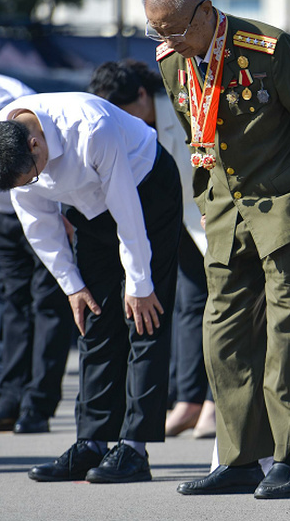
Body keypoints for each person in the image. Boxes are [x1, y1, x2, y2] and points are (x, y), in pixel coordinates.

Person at [142, 0, 290, 499]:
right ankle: (238, 457)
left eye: (175, 30)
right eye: (156, 32)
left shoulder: (267, 48)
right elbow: (196, 136)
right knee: (223, 335)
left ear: (206, 13)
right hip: (225, 215)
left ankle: (289, 456)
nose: (167, 42)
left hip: (289, 211)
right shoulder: (172, 60)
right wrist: (207, 202)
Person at [0, 91, 182, 483]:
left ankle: (135, 449)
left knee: (144, 317)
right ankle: (92, 441)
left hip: (144, 190)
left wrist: (139, 282)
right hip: (87, 208)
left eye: (32, 177)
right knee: (94, 319)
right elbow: (39, 225)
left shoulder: (89, 128)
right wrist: (72, 286)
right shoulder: (4, 145)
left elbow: (127, 209)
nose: (32, 184)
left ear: (35, 144)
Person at [87, 59, 216, 439]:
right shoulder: (121, 125)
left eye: (120, 109)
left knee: (220, 308)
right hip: (171, 222)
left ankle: (213, 402)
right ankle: (189, 401)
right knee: (190, 307)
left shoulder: (181, 107)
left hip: (206, 218)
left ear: (142, 95)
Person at [0, 82, 73, 435]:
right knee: (11, 303)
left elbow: (45, 150)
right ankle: (9, 398)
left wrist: (63, 211)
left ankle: (38, 405)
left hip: (41, 206)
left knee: (48, 302)